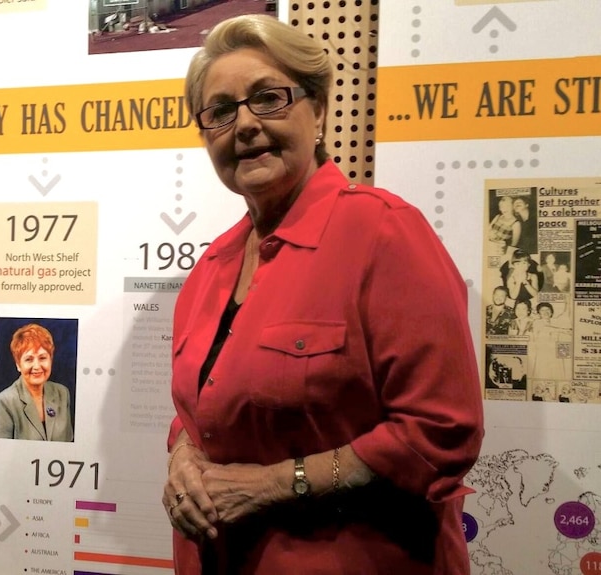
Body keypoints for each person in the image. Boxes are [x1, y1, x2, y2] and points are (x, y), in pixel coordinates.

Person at [163, 15, 484, 575]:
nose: (244, 125)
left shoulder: (383, 233)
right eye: (219, 111)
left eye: (268, 98)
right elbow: (199, 413)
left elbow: (439, 431)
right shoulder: (211, 267)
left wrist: (274, 485)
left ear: (319, 110)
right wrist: (181, 458)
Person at [0, 323, 74, 441]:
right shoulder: (4, 402)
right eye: (29, 359)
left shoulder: (62, 393)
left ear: (50, 360)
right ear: (18, 365)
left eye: (42, 358)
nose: (36, 366)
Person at [488, 195, 521, 259]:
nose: (503, 209)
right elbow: (486, 231)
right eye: (501, 206)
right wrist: (489, 233)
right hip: (489, 245)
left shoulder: (516, 224)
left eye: (507, 206)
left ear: (513, 207)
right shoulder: (498, 216)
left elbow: (514, 245)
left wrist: (504, 246)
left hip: (500, 251)